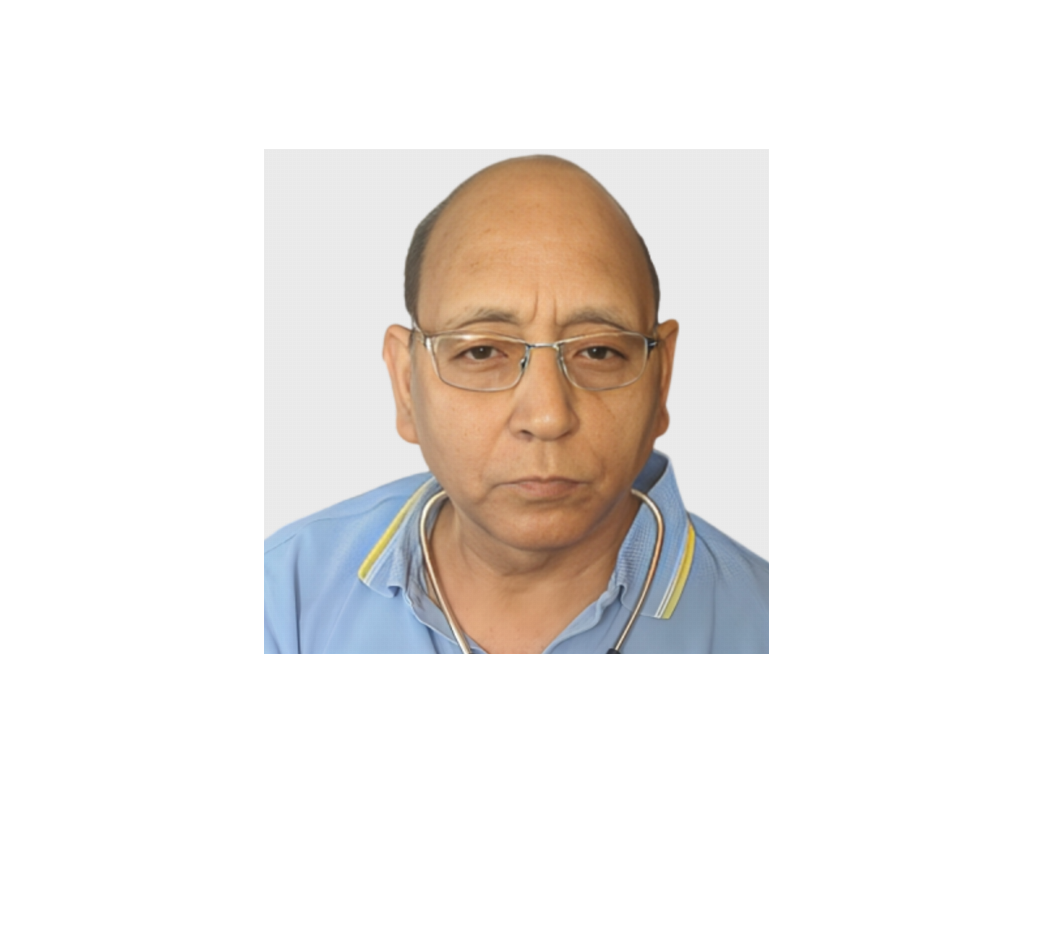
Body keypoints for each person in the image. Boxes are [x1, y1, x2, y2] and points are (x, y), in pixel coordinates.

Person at [264, 156, 768, 655]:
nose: (547, 417)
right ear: (405, 384)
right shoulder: (285, 601)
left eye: (598, 351)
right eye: (482, 352)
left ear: (662, 379)